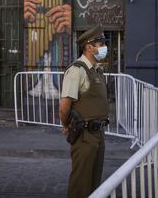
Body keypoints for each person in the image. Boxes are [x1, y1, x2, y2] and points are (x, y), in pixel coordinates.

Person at [59, 24, 109, 198]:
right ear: (89, 46)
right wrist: (65, 125)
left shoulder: (96, 70)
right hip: (84, 135)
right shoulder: (77, 70)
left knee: (95, 185)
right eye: (101, 43)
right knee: (81, 185)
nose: (104, 47)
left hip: (98, 134)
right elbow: (65, 105)